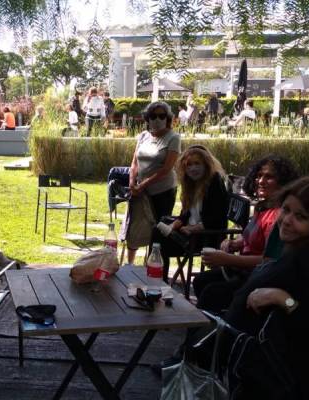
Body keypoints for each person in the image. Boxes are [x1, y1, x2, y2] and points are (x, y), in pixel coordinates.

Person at [224, 177, 309, 399]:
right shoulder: (295, 250)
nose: (286, 220)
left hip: (282, 380)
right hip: (250, 369)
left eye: (301, 217)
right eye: (285, 210)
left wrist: (282, 299)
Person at [194, 155, 299, 313]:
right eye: (259, 176)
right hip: (241, 270)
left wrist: (228, 259)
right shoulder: (262, 206)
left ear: (283, 182)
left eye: (269, 177)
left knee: (211, 293)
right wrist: (236, 242)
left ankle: (215, 331)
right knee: (200, 281)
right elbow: (248, 235)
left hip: (258, 278)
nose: (261, 181)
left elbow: (271, 261)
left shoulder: (279, 217)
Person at [153, 145, 229, 282]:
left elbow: (217, 219)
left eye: (197, 164)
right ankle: (158, 278)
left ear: (206, 165)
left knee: (161, 242)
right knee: (157, 232)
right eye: (189, 165)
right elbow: (185, 213)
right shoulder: (190, 183)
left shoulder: (215, 182)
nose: (193, 168)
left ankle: (159, 279)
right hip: (188, 235)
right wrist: (174, 225)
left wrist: (192, 228)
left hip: (205, 237)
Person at [126, 101, 181, 264]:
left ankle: (152, 264)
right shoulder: (143, 136)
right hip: (140, 191)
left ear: (168, 118)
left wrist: (143, 185)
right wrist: (132, 182)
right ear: (147, 118)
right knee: (135, 226)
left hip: (162, 191)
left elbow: (166, 168)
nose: (157, 119)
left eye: (161, 116)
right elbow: (134, 162)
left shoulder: (173, 138)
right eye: (153, 116)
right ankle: (129, 264)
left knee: (157, 230)